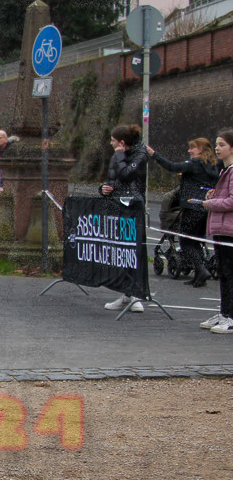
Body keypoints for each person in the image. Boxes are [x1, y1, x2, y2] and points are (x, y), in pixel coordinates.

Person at [147, 138, 219, 287]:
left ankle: (201, 269)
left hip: (192, 206)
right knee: (196, 241)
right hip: (206, 208)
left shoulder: (194, 165)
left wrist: (154, 155)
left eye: (192, 148)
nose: (189, 151)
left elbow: (172, 166)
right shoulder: (212, 166)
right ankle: (199, 276)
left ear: (200, 150)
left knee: (186, 241)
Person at [99, 123, 149, 313]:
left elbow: (127, 175)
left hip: (133, 209)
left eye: (112, 140)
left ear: (121, 142)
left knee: (134, 250)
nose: (110, 143)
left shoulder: (140, 155)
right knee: (122, 251)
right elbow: (113, 178)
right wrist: (103, 189)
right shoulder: (117, 156)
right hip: (117, 207)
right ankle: (126, 293)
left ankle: (136, 294)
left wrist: (119, 156)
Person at [201, 130, 233, 333]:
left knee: (229, 273)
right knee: (223, 272)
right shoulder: (225, 171)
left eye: (221, 144)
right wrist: (213, 194)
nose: (217, 148)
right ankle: (224, 312)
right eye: (216, 144)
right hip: (223, 230)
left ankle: (230, 316)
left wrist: (211, 203)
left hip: (230, 231)